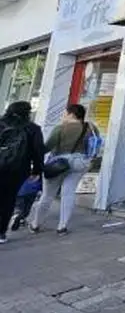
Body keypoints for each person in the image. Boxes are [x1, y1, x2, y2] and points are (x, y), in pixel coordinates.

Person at [30, 103, 93, 235]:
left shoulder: (60, 128)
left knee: (47, 195)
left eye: (65, 113)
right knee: (68, 193)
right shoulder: (90, 128)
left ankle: (36, 224)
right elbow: (94, 146)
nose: (63, 116)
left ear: (71, 114)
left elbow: (46, 147)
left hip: (58, 164)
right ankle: (62, 226)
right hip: (79, 163)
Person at [0, 101, 45, 244]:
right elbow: (38, 151)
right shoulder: (33, 128)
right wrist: (37, 170)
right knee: (9, 199)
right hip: (18, 169)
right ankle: (1, 232)